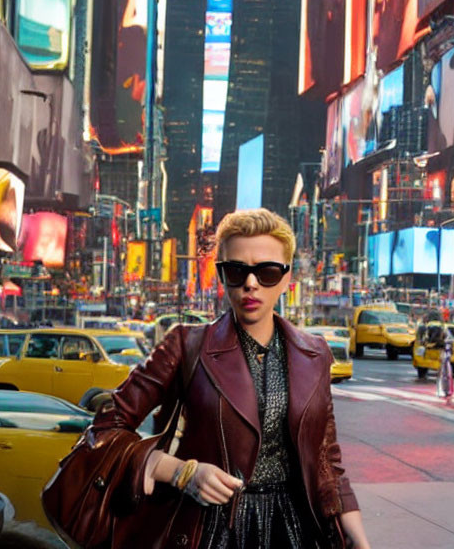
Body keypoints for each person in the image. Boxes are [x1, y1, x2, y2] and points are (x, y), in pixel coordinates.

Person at [90, 208, 370, 549]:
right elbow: (107, 428)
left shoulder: (314, 353)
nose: (250, 284)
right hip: (209, 529)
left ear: (286, 278)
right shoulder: (185, 345)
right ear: (221, 276)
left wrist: (354, 531)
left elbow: (326, 457)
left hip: (297, 528)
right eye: (236, 271)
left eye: (266, 272)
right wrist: (180, 472)